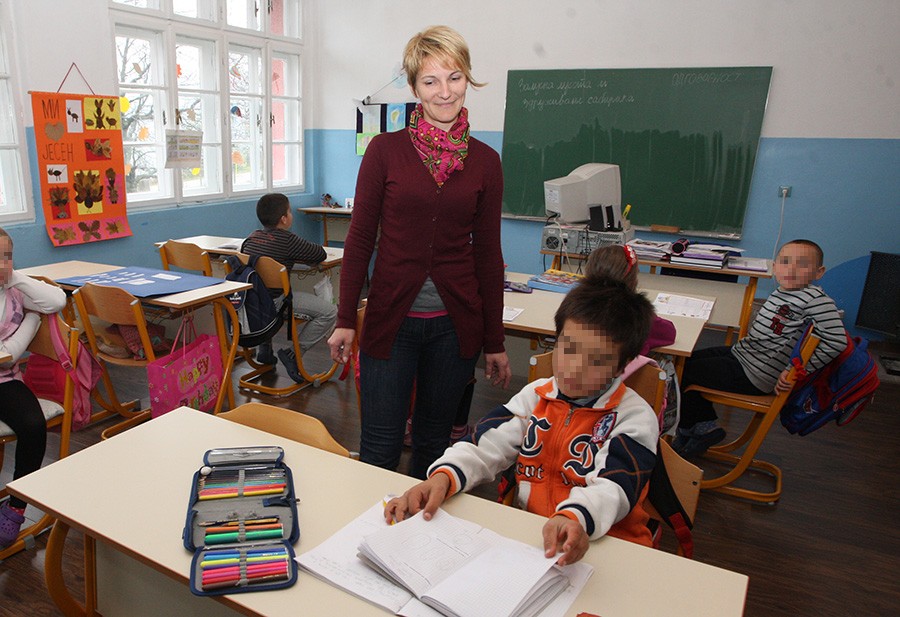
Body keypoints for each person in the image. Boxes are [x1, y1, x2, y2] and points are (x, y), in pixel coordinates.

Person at [328, 25, 511, 479]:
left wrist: (494, 340)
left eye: (454, 77)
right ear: (414, 88)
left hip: (454, 328)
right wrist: (346, 318)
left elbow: (489, 255)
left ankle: (422, 524)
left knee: (434, 446)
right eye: (431, 81)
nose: (445, 92)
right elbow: (360, 239)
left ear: (467, 79)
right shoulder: (384, 151)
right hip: (391, 320)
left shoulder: (486, 162)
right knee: (379, 449)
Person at [384, 281, 658, 565]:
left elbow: (614, 487)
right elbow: (485, 445)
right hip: (536, 539)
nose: (575, 367)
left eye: (596, 361)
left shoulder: (633, 417)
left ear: (622, 365)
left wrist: (575, 516)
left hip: (610, 546)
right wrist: (442, 477)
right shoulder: (536, 396)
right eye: (568, 348)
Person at [673, 239, 848, 457]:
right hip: (743, 355)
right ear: (774, 266)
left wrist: (795, 370)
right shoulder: (783, 291)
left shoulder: (815, 299)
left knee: (682, 372)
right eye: (785, 262)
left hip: (755, 374)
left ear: (819, 272)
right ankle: (693, 427)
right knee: (680, 362)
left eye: (802, 264)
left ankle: (702, 428)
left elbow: (837, 340)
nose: (791, 269)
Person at [0, 227, 67, 547]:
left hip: (6, 382)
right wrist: (31, 321)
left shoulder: (15, 289)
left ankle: (16, 507)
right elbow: (8, 354)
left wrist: (14, 277)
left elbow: (56, 300)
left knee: (32, 424)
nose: (1, 263)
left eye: (6, 256)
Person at [241, 193, 337, 383]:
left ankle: (265, 351)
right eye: (290, 211)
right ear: (284, 219)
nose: (291, 215)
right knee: (330, 312)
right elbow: (319, 254)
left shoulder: (251, 238)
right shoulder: (287, 240)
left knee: (265, 290)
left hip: (253, 304)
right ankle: (293, 354)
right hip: (276, 304)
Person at [584, 243, 676, 354]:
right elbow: (669, 333)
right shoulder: (637, 315)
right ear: (632, 279)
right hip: (621, 365)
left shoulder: (575, 307)